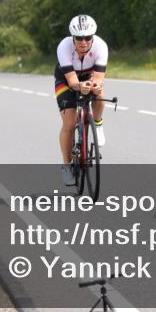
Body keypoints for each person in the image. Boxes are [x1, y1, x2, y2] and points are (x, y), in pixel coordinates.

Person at [54, 14, 109, 186]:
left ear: (93, 37)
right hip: (66, 79)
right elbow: (72, 82)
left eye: (87, 37)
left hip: (89, 75)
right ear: (73, 37)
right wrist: (79, 87)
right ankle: (66, 165)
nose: (83, 41)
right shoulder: (64, 47)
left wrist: (95, 86)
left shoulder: (101, 46)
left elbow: (99, 78)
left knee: (99, 93)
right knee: (70, 124)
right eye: (79, 38)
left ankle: (97, 125)